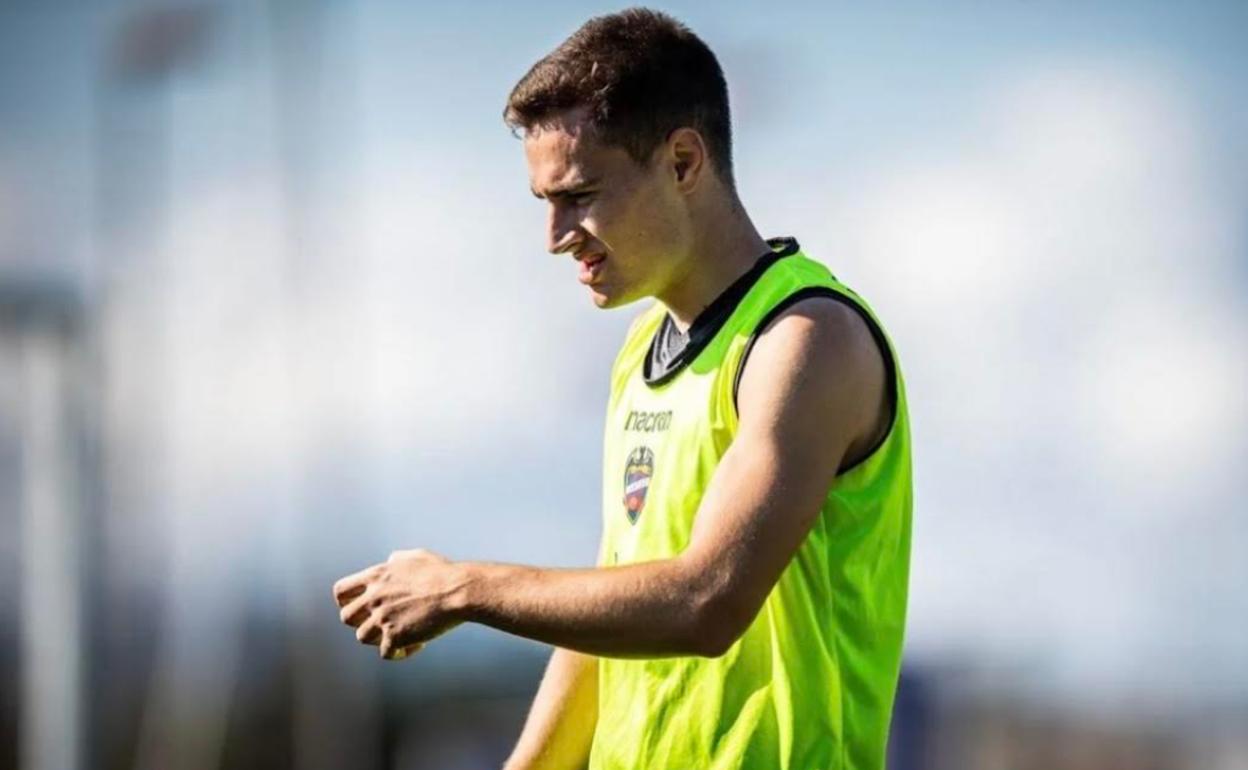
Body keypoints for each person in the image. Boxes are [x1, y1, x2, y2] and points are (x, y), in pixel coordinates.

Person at [333, 7, 912, 769]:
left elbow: (706, 603)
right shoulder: (641, 351)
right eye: (545, 203)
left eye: (579, 195)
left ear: (681, 162)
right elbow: (607, 611)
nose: (555, 235)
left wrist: (463, 588)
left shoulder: (803, 342)